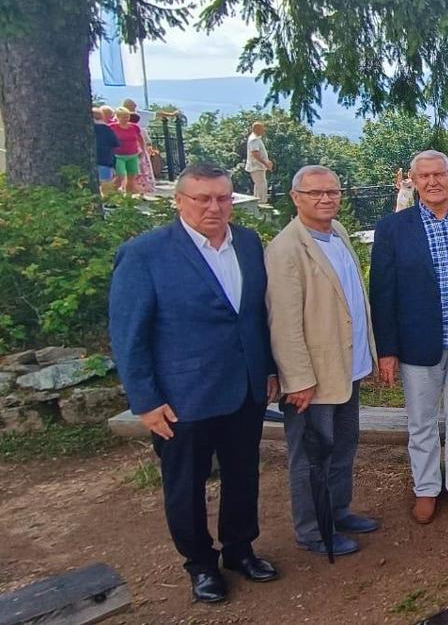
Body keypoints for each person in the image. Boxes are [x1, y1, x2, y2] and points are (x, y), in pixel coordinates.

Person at [108, 163, 278, 604]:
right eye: (202, 199)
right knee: (186, 486)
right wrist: (145, 400)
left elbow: (254, 317)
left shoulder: (247, 242)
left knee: (243, 475)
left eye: (222, 198)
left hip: (245, 386)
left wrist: (269, 369)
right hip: (185, 396)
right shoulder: (145, 253)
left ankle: (240, 550)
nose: (214, 207)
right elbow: (130, 335)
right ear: (179, 201)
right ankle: (200, 564)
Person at [369, 150, 448, 526]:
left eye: (439, 174)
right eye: (423, 176)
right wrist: (387, 350)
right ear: (413, 181)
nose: (432, 182)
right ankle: (426, 488)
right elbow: (383, 292)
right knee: (421, 422)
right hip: (417, 344)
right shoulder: (394, 228)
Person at [266, 165, 382, 558]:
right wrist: (297, 379)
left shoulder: (338, 234)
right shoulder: (285, 250)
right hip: (312, 378)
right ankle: (313, 530)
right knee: (312, 455)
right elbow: (283, 320)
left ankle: (338, 510)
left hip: (346, 368)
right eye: (315, 193)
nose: (326, 199)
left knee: (342, 445)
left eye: (332, 191)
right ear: (296, 198)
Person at [112, 109, 146, 195]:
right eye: (123, 117)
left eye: (127, 117)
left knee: (132, 177)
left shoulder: (134, 127)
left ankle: (128, 197)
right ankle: (110, 194)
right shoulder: (112, 127)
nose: (126, 119)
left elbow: (140, 139)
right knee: (120, 176)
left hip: (133, 155)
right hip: (118, 155)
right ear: (118, 117)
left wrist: (142, 150)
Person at [244, 122, 273, 202]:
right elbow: (255, 153)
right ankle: (261, 203)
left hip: (258, 167)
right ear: (256, 129)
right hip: (256, 166)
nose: (263, 131)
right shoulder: (254, 139)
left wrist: (267, 161)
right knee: (262, 185)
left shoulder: (256, 138)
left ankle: (257, 202)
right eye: (261, 129)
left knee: (258, 185)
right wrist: (265, 163)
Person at [94, 107, 120, 195]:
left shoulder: (86, 128)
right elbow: (115, 143)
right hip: (105, 158)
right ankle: (108, 201)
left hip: (90, 158)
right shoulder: (106, 128)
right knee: (105, 182)